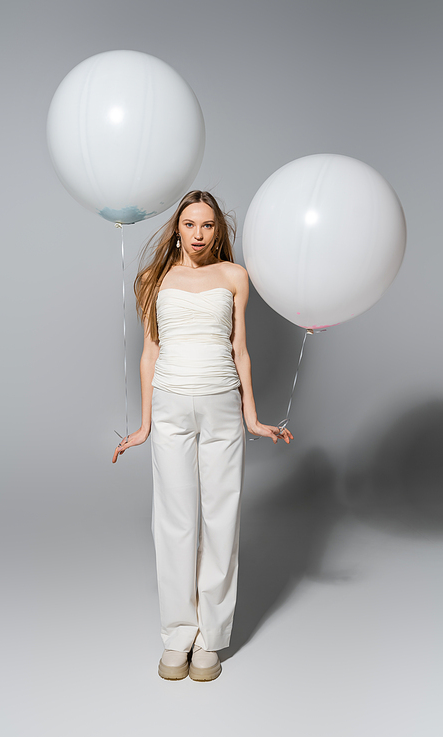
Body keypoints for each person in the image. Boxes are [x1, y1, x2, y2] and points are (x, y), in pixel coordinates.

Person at [112, 190, 293, 681]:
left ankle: (211, 638)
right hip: (170, 408)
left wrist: (252, 418)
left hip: (221, 410)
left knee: (220, 518)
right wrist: (145, 424)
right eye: (189, 224)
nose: (197, 234)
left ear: (218, 231)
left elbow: (241, 351)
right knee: (173, 522)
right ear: (177, 228)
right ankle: (177, 635)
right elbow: (149, 355)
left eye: (207, 226)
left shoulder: (235, 277)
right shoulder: (152, 279)